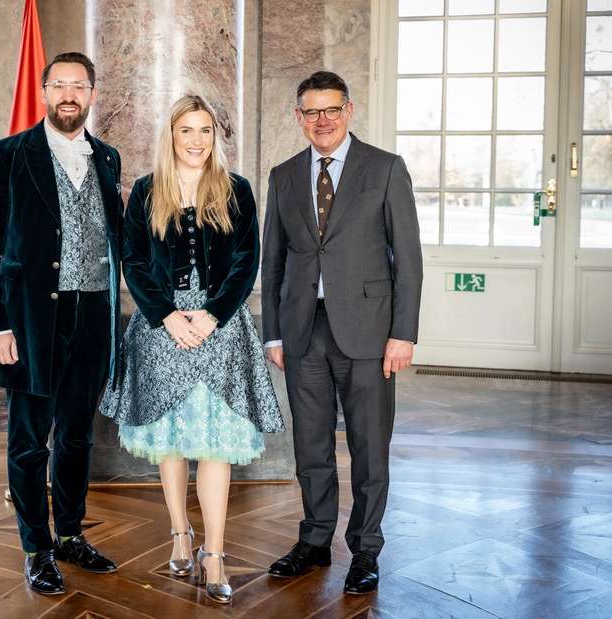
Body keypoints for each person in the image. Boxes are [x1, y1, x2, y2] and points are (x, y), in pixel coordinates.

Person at [101, 95, 283, 605]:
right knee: (170, 437)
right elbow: (133, 261)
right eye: (187, 131)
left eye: (205, 131)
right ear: (172, 136)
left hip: (219, 327)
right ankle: (180, 532)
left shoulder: (235, 190)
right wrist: (165, 316)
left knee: (215, 441)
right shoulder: (145, 190)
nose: (197, 141)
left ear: (214, 137)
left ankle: (216, 551)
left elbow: (247, 261)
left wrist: (212, 313)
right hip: (162, 327)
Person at [260, 71, 422, 595]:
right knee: (309, 444)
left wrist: (403, 333)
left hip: (371, 333)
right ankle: (313, 540)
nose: (322, 120)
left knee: (370, 447)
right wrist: (274, 334)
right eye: (311, 111)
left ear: (349, 110)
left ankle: (366, 550)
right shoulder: (283, 176)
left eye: (331, 110)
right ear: (299, 117)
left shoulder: (385, 169)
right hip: (303, 330)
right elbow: (274, 262)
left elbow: (409, 261)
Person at [0, 52, 123, 595]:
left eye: (78, 85)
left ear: (91, 93)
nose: (69, 94)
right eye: (58, 84)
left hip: (93, 315)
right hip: (32, 320)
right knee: (29, 440)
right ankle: (36, 549)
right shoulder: (8, 155)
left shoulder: (107, 159)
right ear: (43, 92)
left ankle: (69, 534)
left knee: (79, 437)